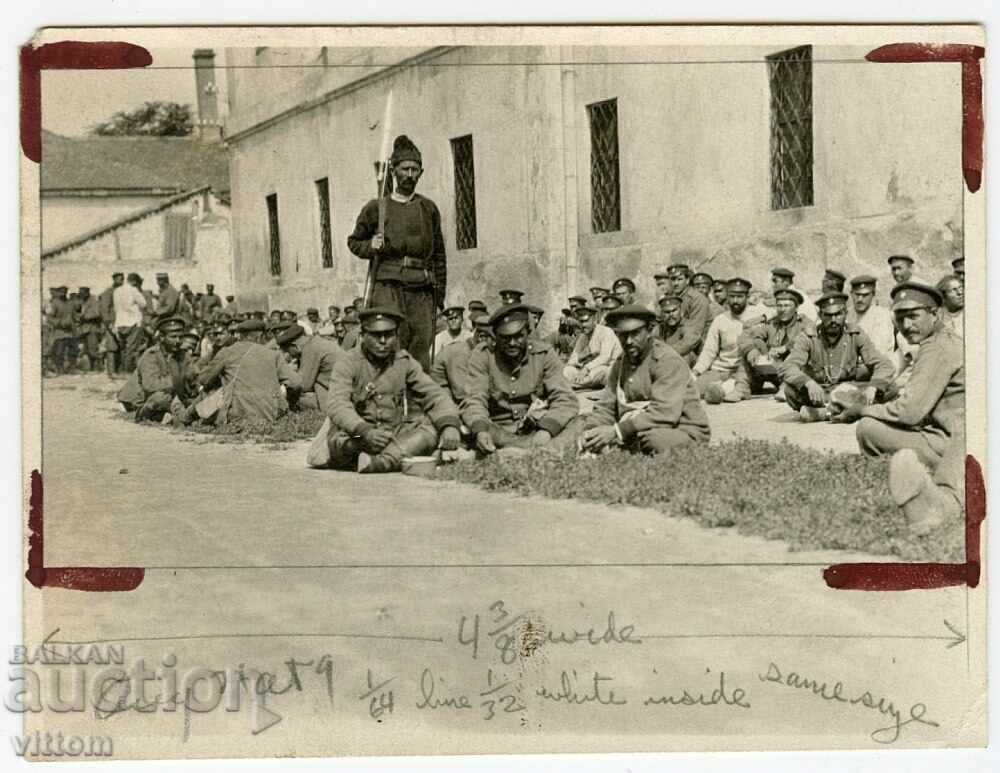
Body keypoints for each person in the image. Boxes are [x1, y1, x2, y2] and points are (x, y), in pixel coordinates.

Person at [831, 281, 964, 534]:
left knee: (868, 427)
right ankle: (911, 477)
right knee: (871, 427)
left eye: (913, 316)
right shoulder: (940, 341)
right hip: (950, 436)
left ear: (935, 313)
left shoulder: (938, 347)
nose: (906, 325)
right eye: (900, 318)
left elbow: (909, 411)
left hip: (955, 442)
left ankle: (935, 500)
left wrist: (861, 410)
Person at [318, 307, 461, 473]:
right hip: (355, 435)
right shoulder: (348, 362)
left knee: (433, 427)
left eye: (389, 334)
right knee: (344, 442)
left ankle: (379, 462)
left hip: (392, 435)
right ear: (362, 335)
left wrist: (449, 424)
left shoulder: (403, 361)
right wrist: (365, 431)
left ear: (396, 335)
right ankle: (398, 456)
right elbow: (337, 405)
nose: (383, 341)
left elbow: (434, 395)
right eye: (376, 335)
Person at [347, 134, 446, 372]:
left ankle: (416, 403)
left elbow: (439, 255)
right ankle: (389, 399)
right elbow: (354, 242)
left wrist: (439, 293)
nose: (410, 175)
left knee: (421, 345)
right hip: (389, 287)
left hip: (422, 289)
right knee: (391, 343)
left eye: (415, 170)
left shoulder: (428, 208)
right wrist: (372, 245)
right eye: (405, 169)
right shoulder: (377, 208)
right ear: (394, 170)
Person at [580, 304, 710, 454]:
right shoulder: (621, 362)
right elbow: (606, 405)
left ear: (649, 330)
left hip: (682, 428)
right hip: (642, 425)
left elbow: (665, 413)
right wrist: (592, 430)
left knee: (653, 440)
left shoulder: (666, 360)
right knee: (582, 423)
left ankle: (622, 447)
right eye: (622, 335)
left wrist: (616, 431)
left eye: (635, 333)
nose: (628, 341)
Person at [461, 303, 581, 454]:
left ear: (528, 332)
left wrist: (547, 429)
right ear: (495, 336)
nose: (512, 343)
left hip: (536, 428)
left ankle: (530, 450)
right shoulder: (483, 355)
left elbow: (565, 398)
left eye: (518, 336)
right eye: (505, 338)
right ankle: (538, 451)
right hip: (497, 430)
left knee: (581, 421)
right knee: (469, 425)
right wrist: (481, 431)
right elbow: (474, 398)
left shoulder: (544, 354)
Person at [778, 292, 895, 421]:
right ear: (820, 315)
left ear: (845, 314)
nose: (833, 320)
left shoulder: (855, 334)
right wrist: (809, 383)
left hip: (848, 390)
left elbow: (884, 364)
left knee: (889, 387)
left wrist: (874, 386)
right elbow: (787, 367)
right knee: (790, 391)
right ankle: (850, 410)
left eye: (838, 314)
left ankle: (825, 413)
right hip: (820, 392)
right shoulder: (808, 336)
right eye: (828, 315)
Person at [196, 318, 300, 427]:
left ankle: (186, 418)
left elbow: (203, 379)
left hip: (236, 417)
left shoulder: (227, 352)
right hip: (270, 416)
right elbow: (296, 383)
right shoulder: (273, 355)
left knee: (212, 389)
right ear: (260, 336)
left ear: (241, 336)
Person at [116, 316, 198, 424]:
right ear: (162, 338)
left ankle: (174, 416)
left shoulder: (182, 354)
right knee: (161, 397)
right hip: (140, 399)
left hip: (168, 396)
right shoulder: (151, 355)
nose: (178, 341)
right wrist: (178, 380)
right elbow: (150, 385)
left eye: (180, 337)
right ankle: (143, 413)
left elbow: (194, 376)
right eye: (173, 337)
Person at [738, 288, 814, 395]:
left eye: (787, 306)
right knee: (746, 352)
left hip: (790, 372)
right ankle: (741, 388)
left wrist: (786, 347)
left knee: (800, 356)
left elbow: (810, 336)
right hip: (770, 369)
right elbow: (746, 335)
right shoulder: (771, 323)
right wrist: (755, 351)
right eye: (779, 306)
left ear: (796, 307)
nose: (782, 309)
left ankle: (787, 389)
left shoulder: (804, 323)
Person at [691, 277, 755, 403]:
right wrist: (696, 372)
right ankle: (721, 388)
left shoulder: (758, 316)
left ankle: (726, 389)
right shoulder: (720, 320)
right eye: (732, 296)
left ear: (747, 297)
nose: (735, 301)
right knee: (692, 390)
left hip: (745, 371)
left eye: (740, 296)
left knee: (725, 388)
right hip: (721, 370)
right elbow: (709, 350)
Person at [277, 323, 344, 411]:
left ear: (295, 346)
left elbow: (303, 385)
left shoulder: (310, 349)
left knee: (295, 399)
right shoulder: (316, 342)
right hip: (345, 389)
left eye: (288, 352)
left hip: (341, 396)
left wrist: (285, 373)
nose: (290, 355)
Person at [430, 312, 493, 405]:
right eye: (493, 339)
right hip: (444, 395)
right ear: (481, 337)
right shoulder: (460, 353)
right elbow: (464, 393)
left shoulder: (479, 351)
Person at [562, 304, 622, 389]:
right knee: (567, 370)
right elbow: (571, 360)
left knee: (601, 372)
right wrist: (580, 357)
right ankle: (579, 383)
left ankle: (574, 384)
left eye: (586, 321)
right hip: (588, 371)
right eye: (581, 322)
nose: (583, 325)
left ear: (594, 319)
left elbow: (605, 358)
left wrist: (586, 368)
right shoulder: (583, 336)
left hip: (608, 368)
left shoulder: (606, 331)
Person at [845, 274, 895, 359]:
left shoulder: (882, 316)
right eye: (857, 295)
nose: (860, 299)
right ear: (851, 294)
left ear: (873, 294)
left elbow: (878, 351)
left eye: (865, 295)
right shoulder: (847, 314)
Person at [668, 263, 712, 343]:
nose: (676, 283)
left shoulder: (697, 299)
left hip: (697, 346)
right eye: (673, 279)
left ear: (687, 280)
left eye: (679, 279)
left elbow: (694, 334)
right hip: (678, 341)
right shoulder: (671, 298)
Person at [113, 273, 148, 373]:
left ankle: (122, 369)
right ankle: (128, 371)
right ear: (135, 281)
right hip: (133, 322)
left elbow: (116, 308)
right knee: (132, 348)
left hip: (120, 322)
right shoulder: (133, 290)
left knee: (123, 348)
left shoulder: (117, 291)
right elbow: (143, 304)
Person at [655, 294, 700, 367]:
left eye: (674, 310)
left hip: (694, 367)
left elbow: (686, 345)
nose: (671, 315)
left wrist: (663, 353)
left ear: (681, 311)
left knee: (686, 355)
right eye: (667, 312)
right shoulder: (660, 329)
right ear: (662, 314)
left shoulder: (689, 325)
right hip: (668, 362)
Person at [45, 286, 77, 374]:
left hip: (71, 332)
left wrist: (75, 321)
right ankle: (59, 369)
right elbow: (49, 318)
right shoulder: (54, 303)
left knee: (73, 351)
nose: (63, 293)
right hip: (60, 332)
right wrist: (60, 322)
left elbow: (75, 316)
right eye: (61, 292)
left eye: (65, 292)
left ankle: (72, 368)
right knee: (59, 351)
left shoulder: (71, 303)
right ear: (58, 292)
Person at [98, 273, 123, 375]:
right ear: (114, 279)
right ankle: (111, 371)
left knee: (120, 347)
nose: (121, 281)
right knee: (111, 347)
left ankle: (119, 370)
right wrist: (108, 323)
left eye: (122, 279)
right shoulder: (108, 292)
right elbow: (104, 309)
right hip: (111, 323)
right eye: (119, 279)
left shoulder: (123, 291)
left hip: (122, 322)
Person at [75, 287, 103, 372]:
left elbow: (97, 313)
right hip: (84, 329)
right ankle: (91, 368)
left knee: (93, 349)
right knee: (87, 350)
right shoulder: (82, 301)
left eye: (82, 293)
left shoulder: (94, 301)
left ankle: (98, 367)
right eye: (80, 293)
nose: (81, 295)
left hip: (92, 328)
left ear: (87, 292)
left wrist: (84, 317)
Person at [937, 274, 964, 339]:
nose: (960, 292)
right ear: (944, 295)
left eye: (961, 288)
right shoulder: (937, 316)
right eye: (954, 290)